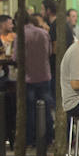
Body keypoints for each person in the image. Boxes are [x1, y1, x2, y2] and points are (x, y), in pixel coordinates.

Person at [23, 10, 55, 147]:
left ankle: (31, 140)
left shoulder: (21, 34)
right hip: (44, 75)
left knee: (30, 110)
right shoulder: (44, 33)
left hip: (28, 76)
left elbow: (16, 57)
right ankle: (48, 138)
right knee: (46, 108)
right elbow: (49, 52)